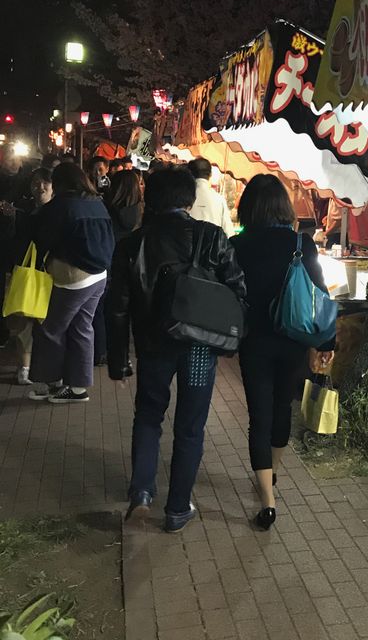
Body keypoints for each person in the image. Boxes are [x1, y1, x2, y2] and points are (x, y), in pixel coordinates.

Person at [107, 167, 246, 533]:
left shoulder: (132, 244)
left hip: (153, 345)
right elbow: (238, 291)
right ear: (189, 199)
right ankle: (178, 507)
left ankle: (141, 493)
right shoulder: (212, 237)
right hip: (199, 347)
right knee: (190, 426)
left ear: (149, 198)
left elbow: (117, 307)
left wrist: (119, 362)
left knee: (149, 416)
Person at [230, 174, 335, 530]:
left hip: (253, 343)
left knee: (258, 417)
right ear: (282, 206)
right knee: (281, 410)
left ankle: (267, 503)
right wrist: (325, 343)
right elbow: (319, 293)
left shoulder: (236, 246)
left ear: (248, 207)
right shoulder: (300, 244)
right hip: (292, 341)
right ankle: (272, 472)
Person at [27, 163, 114, 403]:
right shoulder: (97, 202)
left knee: (51, 329)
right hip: (99, 276)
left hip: (73, 276)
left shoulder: (61, 205)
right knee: (82, 328)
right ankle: (77, 389)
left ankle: (52, 384)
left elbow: (42, 236)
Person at [92, 170, 145, 366]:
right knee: (126, 313)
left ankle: (100, 352)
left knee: (102, 310)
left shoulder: (106, 209)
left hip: (108, 263)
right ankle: (121, 355)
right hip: (134, 267)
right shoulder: (141, 211)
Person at [7, 168, 53, 384]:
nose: (40, 187)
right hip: (25, 270)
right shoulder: (23, 207)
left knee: (48, 322)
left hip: (51, 272)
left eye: (45, 182)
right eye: (36, 182)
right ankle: (24, 367)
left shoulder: (59, 209)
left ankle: (43, 365)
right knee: (23, 321)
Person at [187, 158, 234, 237]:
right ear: (210, 174)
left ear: (189, 173)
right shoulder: (219, 199)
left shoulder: (184, 198)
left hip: (187, 247)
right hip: (213, 247)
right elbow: (229, 233)